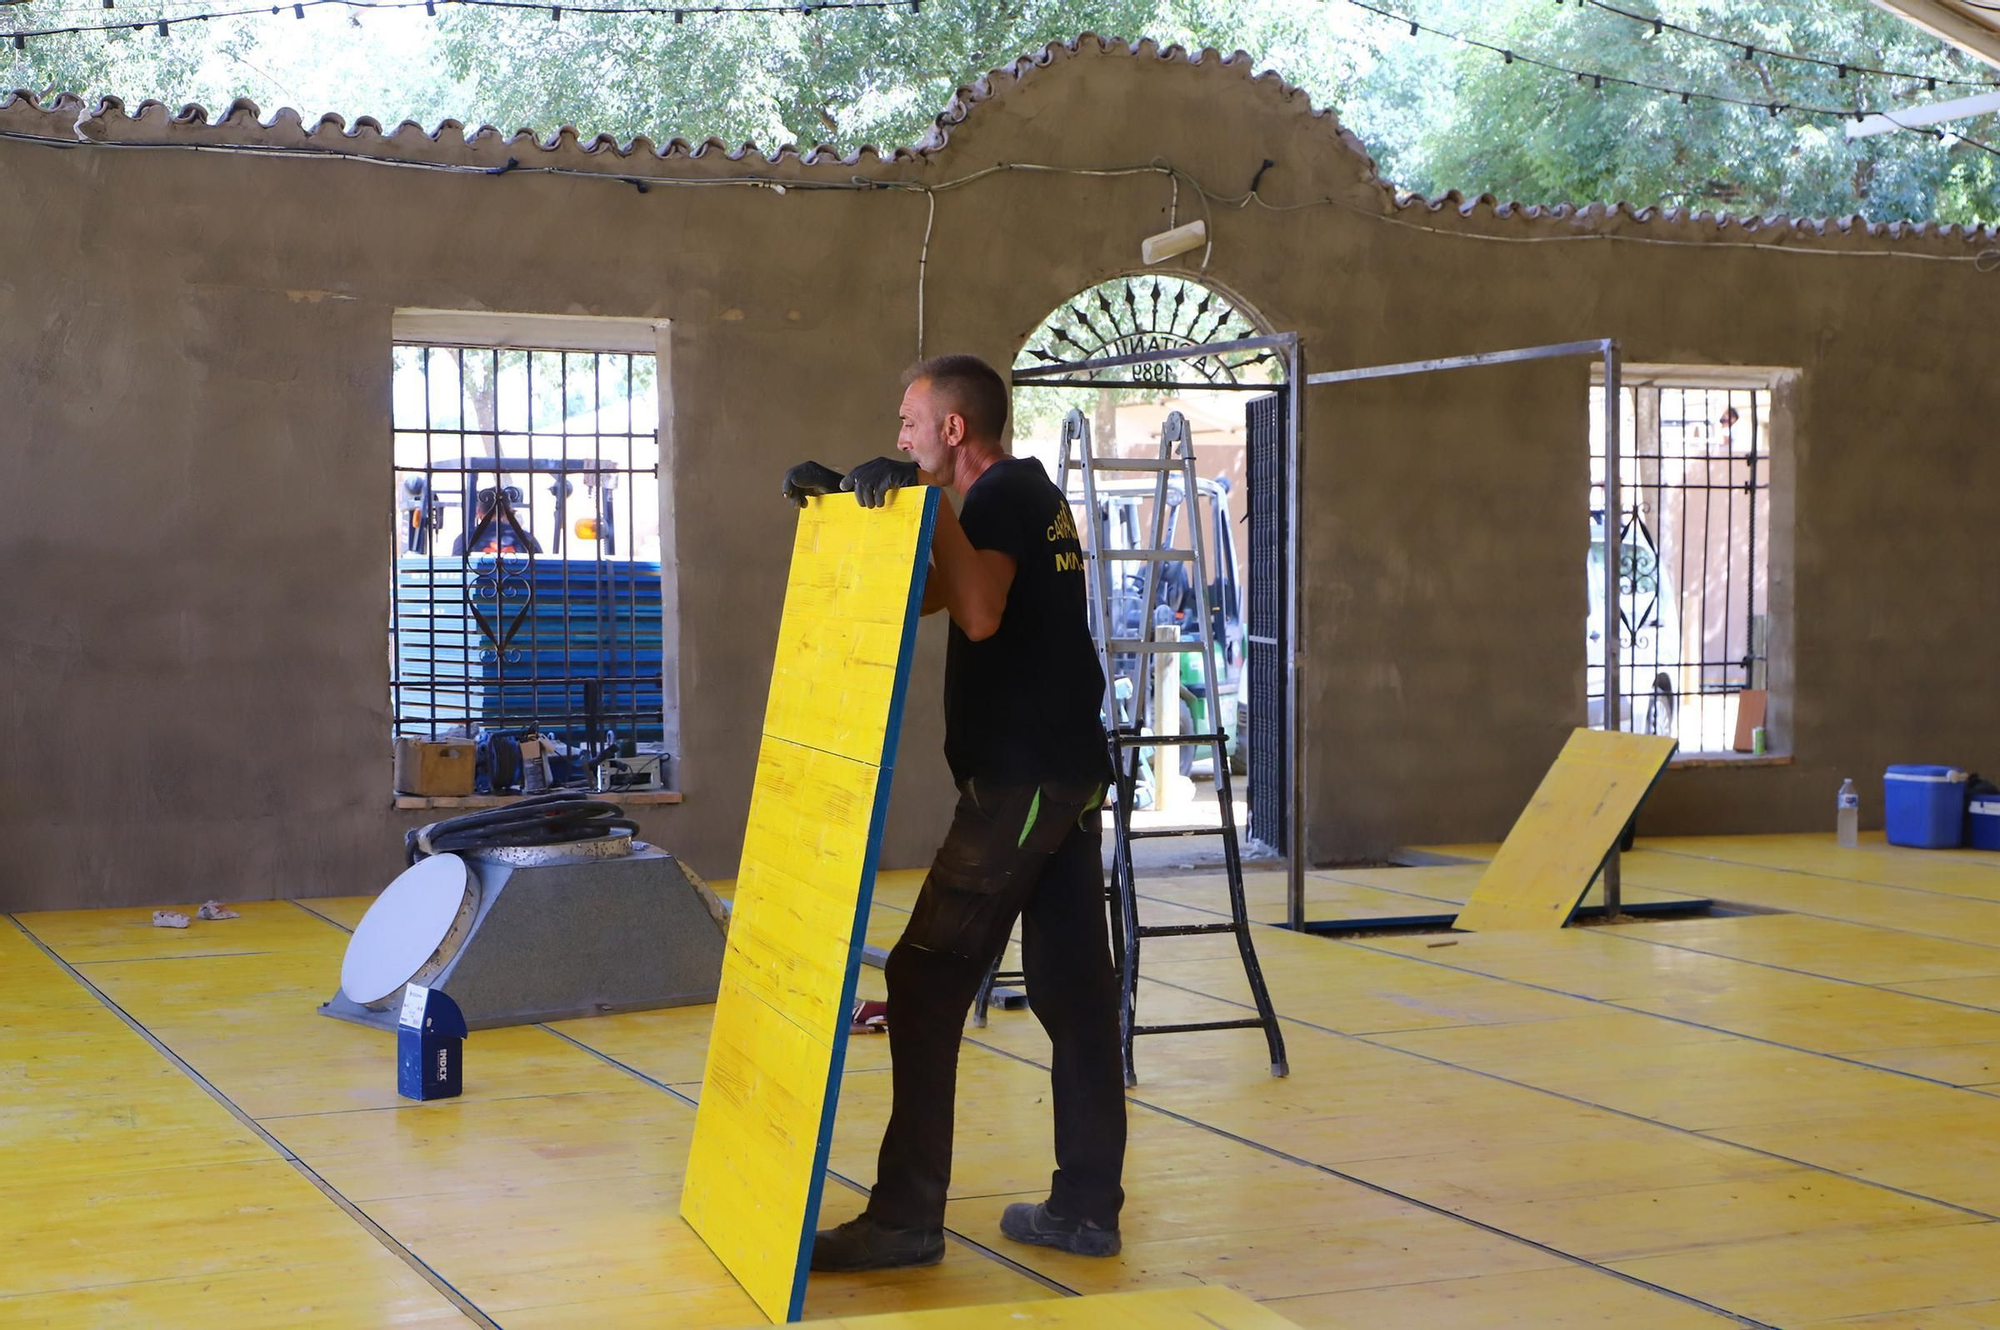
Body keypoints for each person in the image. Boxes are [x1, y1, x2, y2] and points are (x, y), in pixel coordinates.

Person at [782, 354, 1127, 1271]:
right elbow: (936, 590)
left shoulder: (1001, 495)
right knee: (1073, 993)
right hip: (1061, 775)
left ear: (953, 431)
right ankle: (1086, 1209)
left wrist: (926, 508)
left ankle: (903, 1221)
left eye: (908, 423)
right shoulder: (1020, 498)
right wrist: (854, 521)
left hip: (1021, 783)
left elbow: (974, 613)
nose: (897, 438)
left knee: (927, 982)